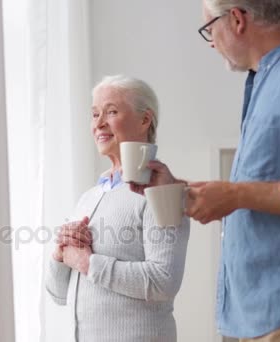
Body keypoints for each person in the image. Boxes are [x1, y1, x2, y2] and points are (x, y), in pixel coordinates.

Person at [131, 1, 280, 341]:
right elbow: (264, 188)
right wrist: (183, 190)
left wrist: (235, 194)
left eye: (209, 28)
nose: (211, 42)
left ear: (237, 19)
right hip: (267, 320)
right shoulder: (270, 80)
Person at [45, 75, 190, 342]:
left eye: (111, 112)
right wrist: (60, 252)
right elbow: (58, 294)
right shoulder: (89, 197)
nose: (98, 123)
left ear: (145, 120)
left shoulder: (162, 191)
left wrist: (88, 263)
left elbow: (164, 280)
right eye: (94, 113)